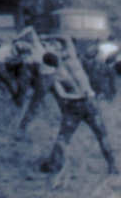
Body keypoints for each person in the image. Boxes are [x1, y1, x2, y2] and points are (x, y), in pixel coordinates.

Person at [39, 35, 119, 176]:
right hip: (91, 103)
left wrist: (76, 96)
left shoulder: (55, 75)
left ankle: (53, 165)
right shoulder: (73, 60)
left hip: (73, 107)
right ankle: (112, 166)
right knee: (102, 135)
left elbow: (62, 95)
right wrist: (49, 36)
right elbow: (66, 39)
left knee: (63, 137)